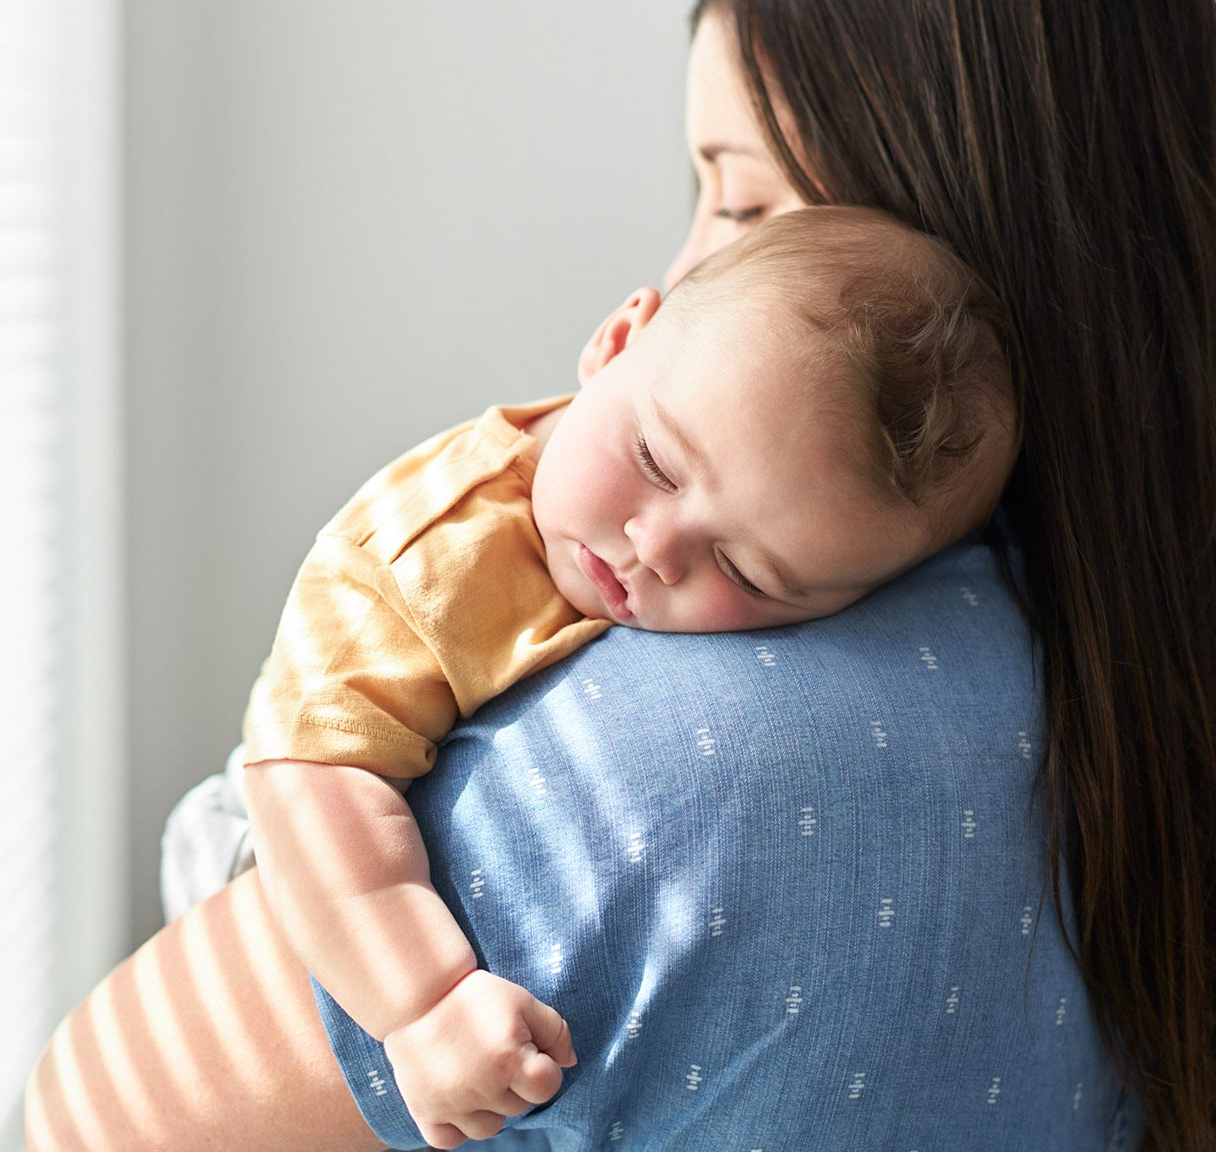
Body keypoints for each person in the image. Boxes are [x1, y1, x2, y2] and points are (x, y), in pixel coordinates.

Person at [24, 2, 1216, 1149]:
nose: (683, 265)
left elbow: (96, 1113)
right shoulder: (1197, 740)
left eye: (745, 202)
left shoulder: (672, 781)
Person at [204, 206, 1015, 1147]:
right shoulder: (423, 563)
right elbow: (308, 776)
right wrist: (424, 1005)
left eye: (748, 573)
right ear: (617, 340)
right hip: (276, 848)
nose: (657, 548)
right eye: (656, 463)